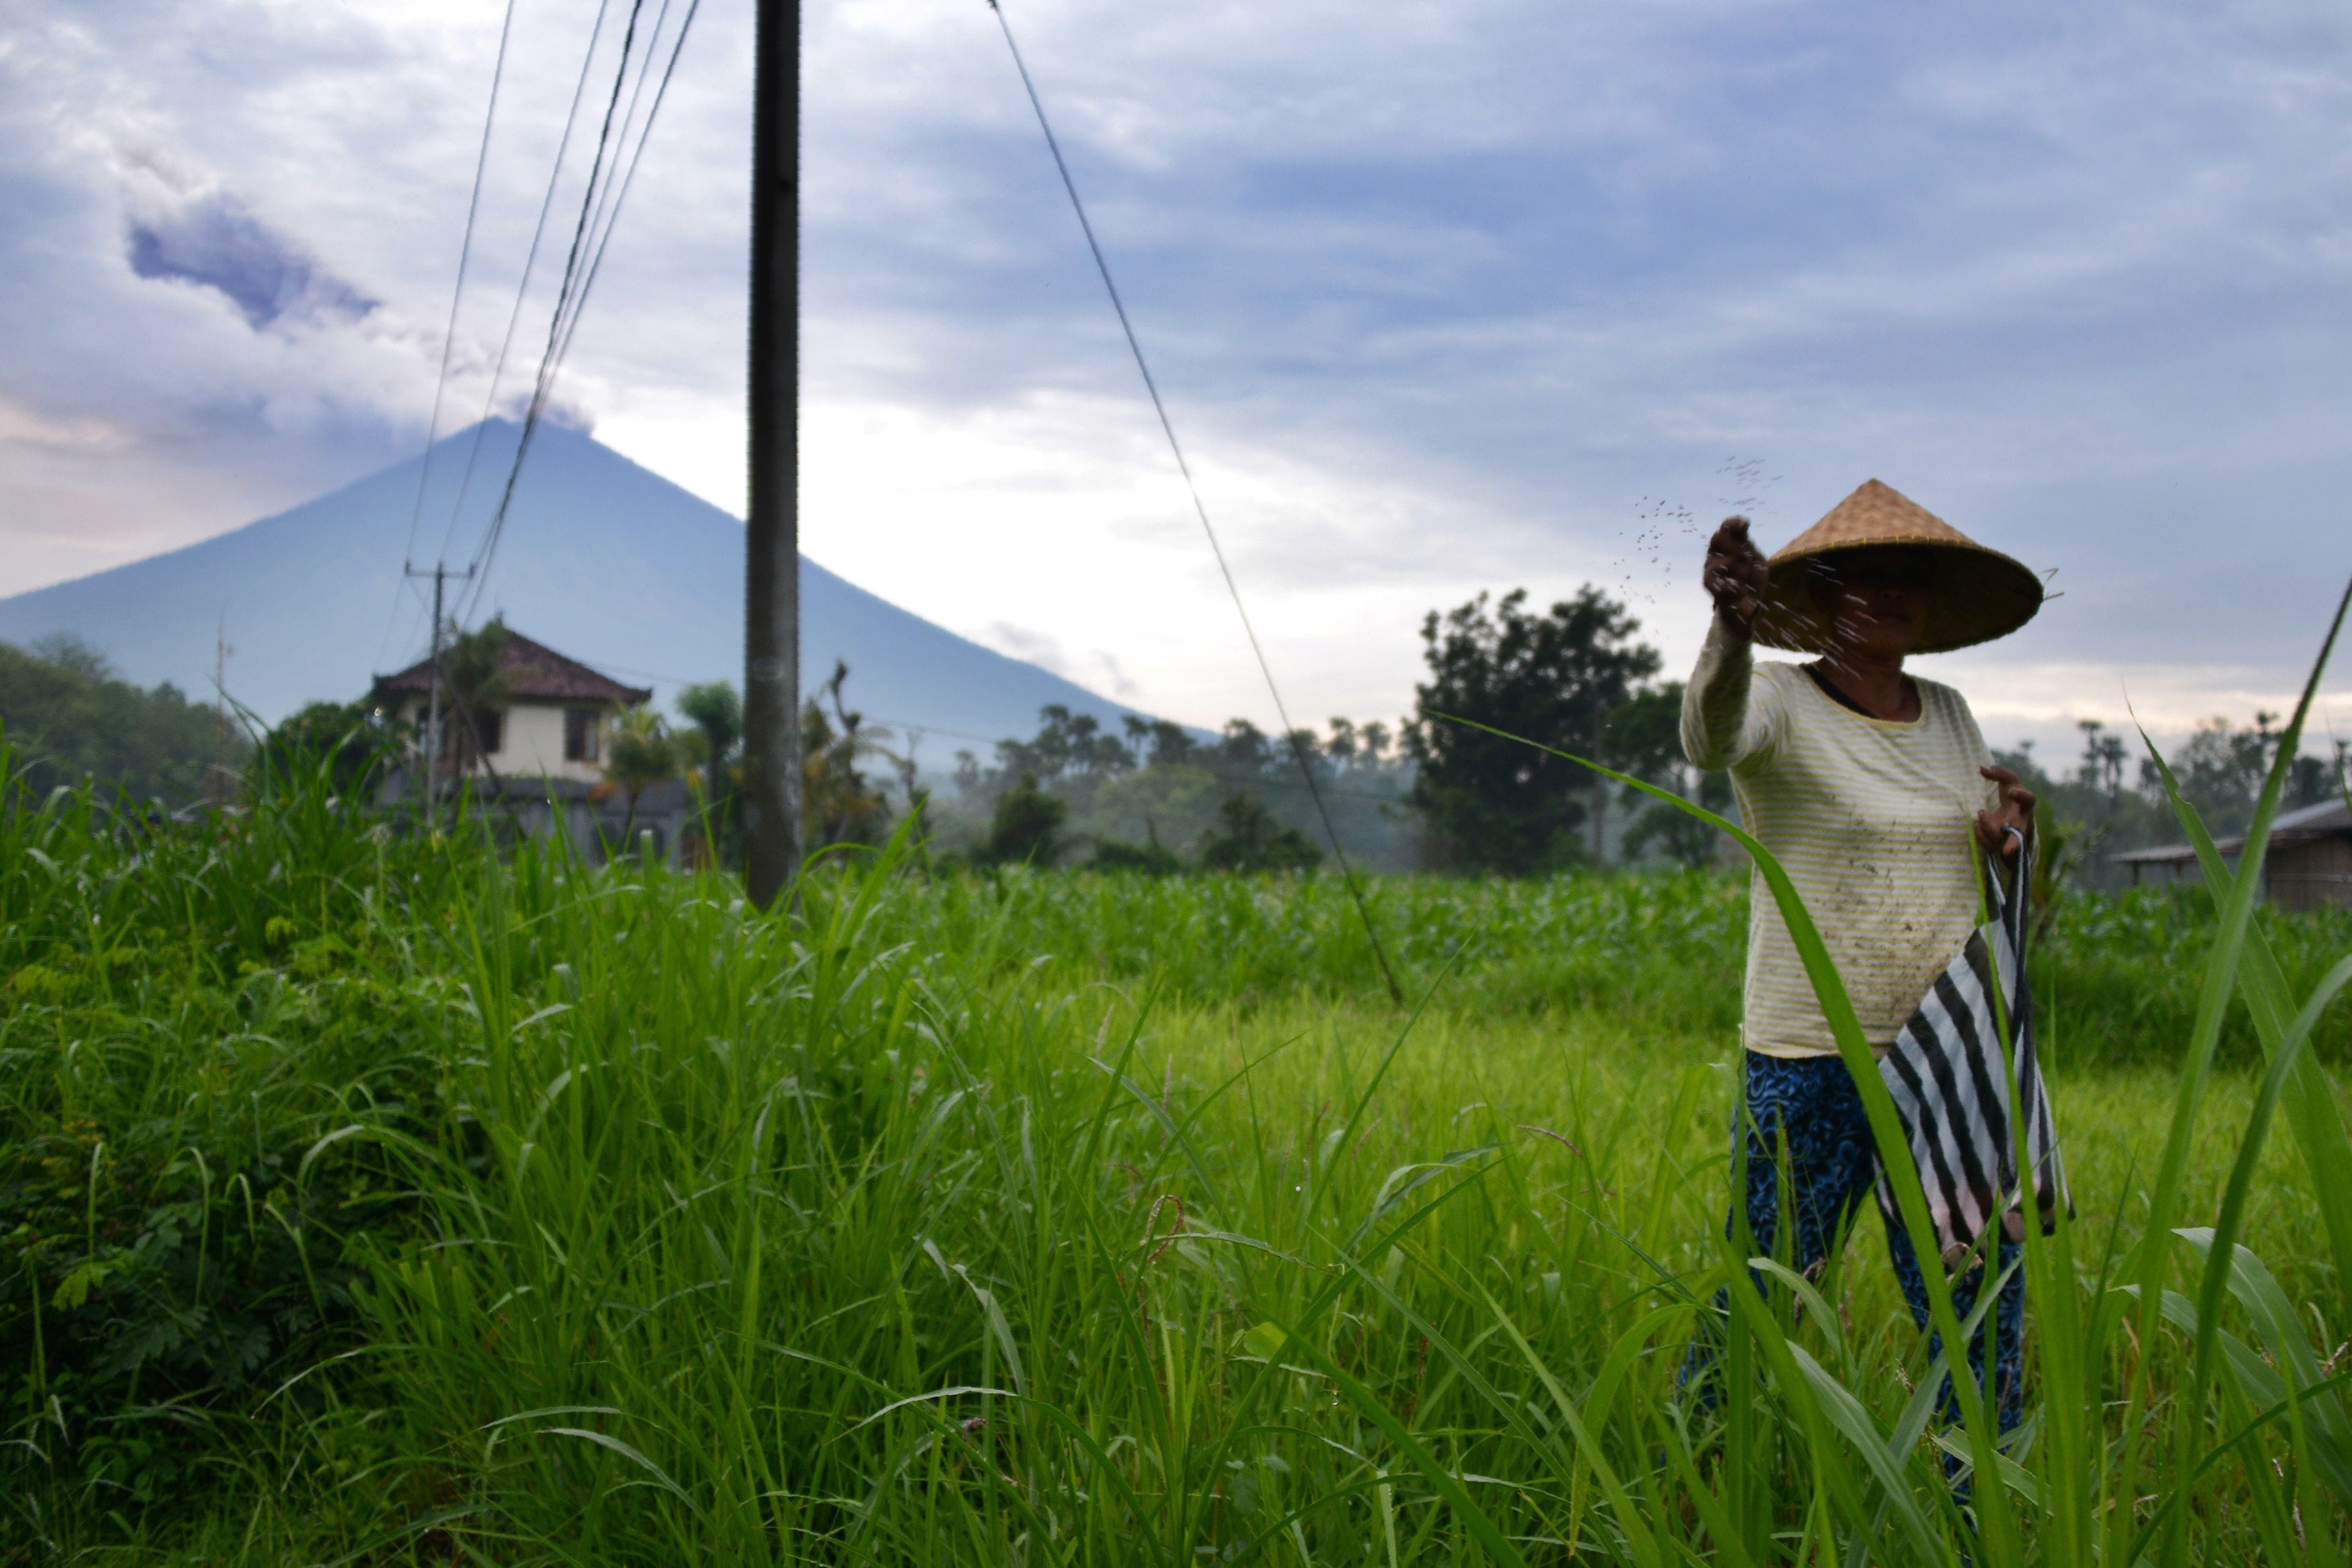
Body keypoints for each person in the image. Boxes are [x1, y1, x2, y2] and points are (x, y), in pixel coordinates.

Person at [1676, 478, 2043, 1435]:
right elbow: (1706, 740)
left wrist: (2006, 838)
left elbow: (1962, 844)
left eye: (1906, 580)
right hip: (1811, 1058)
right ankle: (1703, 1473)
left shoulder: (1950, 712)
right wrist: (1728, 628)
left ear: (1930, 603)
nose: (1888, 596)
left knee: (1977, 1297)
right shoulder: (1773, 698)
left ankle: (1980, 1502)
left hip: (1946, 1055)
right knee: (1769, 1285)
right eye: (1864, 579)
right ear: (1826, 596)